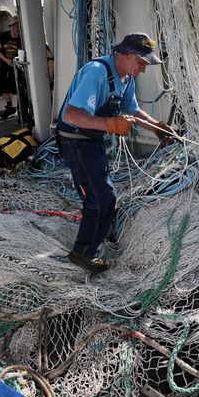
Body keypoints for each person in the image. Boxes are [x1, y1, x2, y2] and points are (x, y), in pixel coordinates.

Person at [56, 32, 178, 273]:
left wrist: (157, 128)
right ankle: (83, 252)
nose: (143, 69)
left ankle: (96, 231)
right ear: (126, 54)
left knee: (100, 193)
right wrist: (110, 125)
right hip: (75, 141)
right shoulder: (96, 72)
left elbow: (132, 111)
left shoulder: (126, 77)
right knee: (102, 197)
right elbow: (71, 115)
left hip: (92, 139)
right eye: (142, 63)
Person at [0, 15, 33, 124]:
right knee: (3, 87)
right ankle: (9, 107)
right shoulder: (3, 36)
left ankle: (22, 111)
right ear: (12, 27)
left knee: (19, 89)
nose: (18, 29)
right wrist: (7, 60)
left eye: (20, 27)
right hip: (5, 65)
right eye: (17, 27)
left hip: (18, 67)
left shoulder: (23, 38)